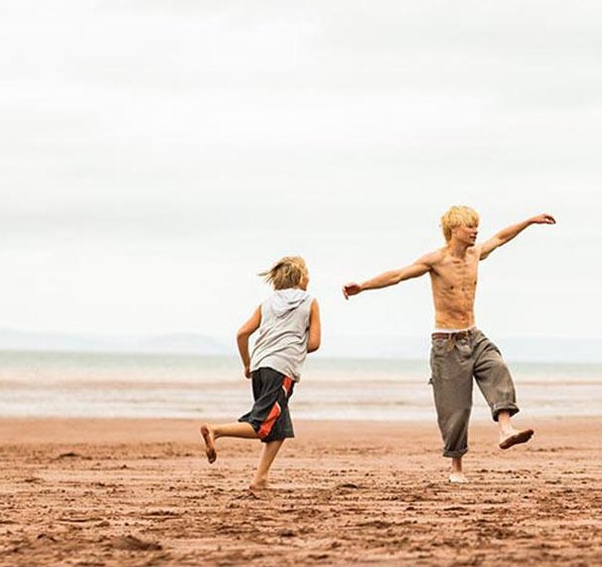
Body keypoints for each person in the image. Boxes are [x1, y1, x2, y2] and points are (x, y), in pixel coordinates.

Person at [342, 206, 555, 483]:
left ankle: (505, 429)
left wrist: (528, 221)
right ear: (454, 230)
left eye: (477, 226)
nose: (476, 231)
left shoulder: (475, 254)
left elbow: (501, 237)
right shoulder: (436, 261)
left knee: (497, 367)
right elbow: (397, 275)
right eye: (470, 227)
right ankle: (456, 468)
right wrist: (363, 286)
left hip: (473, 335)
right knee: (456, 409)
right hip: (447, 342)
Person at [200, 256, 321, 490]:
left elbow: (242, 334)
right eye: (307, 275)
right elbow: (314, 343)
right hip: (282, 368)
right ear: (300, 278)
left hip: (260, 367)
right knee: (262, 425)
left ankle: (260, 480)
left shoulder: (266, 303)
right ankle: (216, 431)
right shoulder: (310, 302)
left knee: (280, 428)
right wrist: (291, 346)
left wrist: (247, 364)